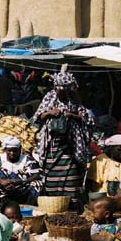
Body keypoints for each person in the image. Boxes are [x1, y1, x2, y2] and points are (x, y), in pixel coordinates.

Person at [32, 71, 93, 210]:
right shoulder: (49, 97)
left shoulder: (74, 99)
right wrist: (50, 113)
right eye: (57, 89)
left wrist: (70, 115)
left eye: (62, 90)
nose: (59, 92)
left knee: (71, 178)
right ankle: (54, 206)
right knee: (51, 179)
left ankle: (71, 207)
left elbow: (85, 117)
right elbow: (37, 117)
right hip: (52, 145)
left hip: (69, 144)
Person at [0, 136, 41, 205]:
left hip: (22, 190)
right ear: (5, 150)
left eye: (15, 150)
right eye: (9, 150)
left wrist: (20, 181)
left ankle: (28, 207)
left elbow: (37, 175)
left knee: (37, 184)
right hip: (3, 190)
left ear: (20, 149)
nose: (12, 153)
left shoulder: (28, 159)